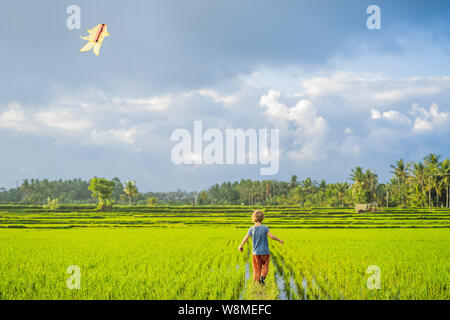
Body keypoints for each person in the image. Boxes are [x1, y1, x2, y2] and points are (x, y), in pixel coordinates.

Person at [238, 210, 284, 285]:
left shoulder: (251, 229)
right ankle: (262, 277)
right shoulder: (265, 228)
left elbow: (246, 238)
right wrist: (279, 240)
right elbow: (271, 236)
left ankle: (257, 281)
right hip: (265, 252)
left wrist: (241, 245)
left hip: (256, 253)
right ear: (262, 218)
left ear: (253, 218)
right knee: (265, 266)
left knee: (257, 267)